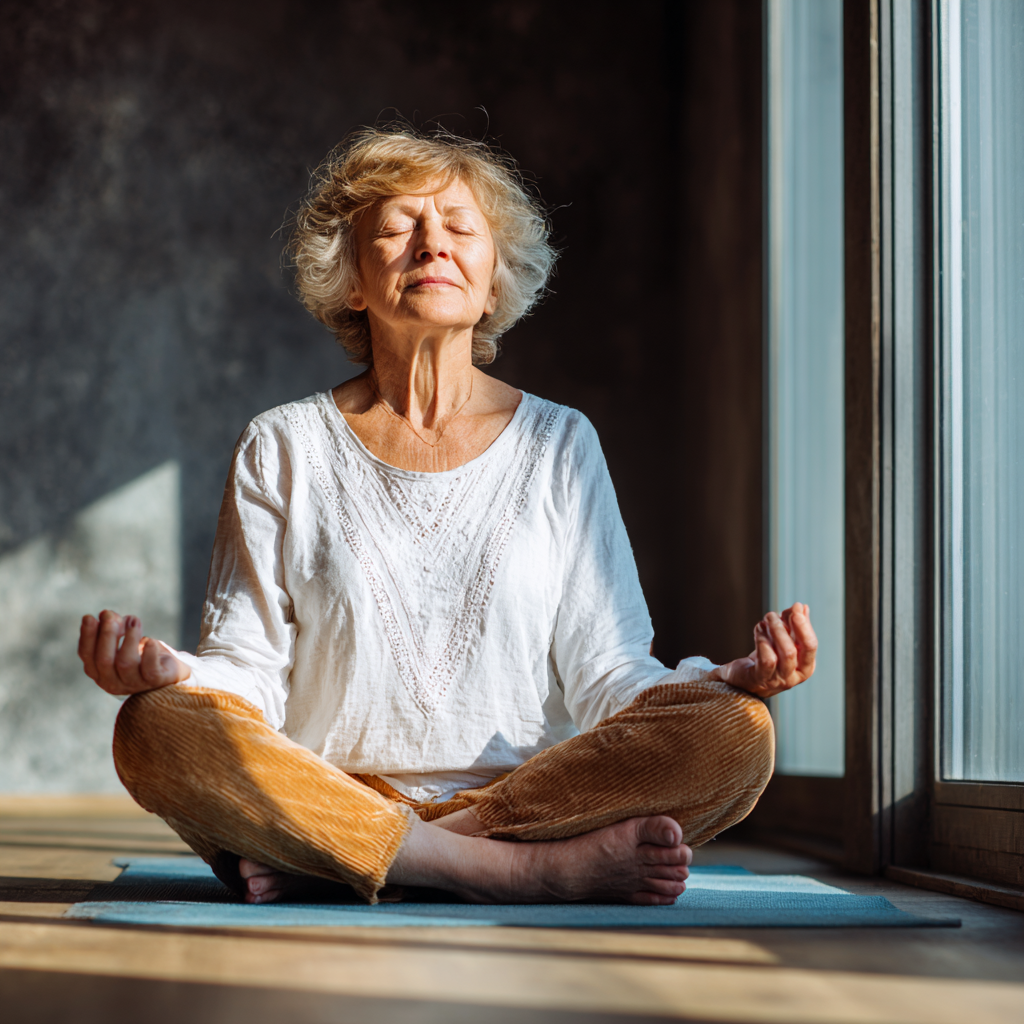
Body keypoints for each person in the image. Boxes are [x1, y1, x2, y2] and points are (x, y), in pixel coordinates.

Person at [79, 127, 817, 907]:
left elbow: (611, 674)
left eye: (461, 228)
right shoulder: (283, 444)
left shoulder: (559, 443)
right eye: (397, 228)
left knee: (738, 735)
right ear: (352, 281)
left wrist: (720, 683)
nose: (432, 244)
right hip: (331, 786)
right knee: (155, 729)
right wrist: (173, 675)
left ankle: (357, 858)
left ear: (494, 281)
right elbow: (248, 674)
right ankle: (519, 872)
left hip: (533, 796)